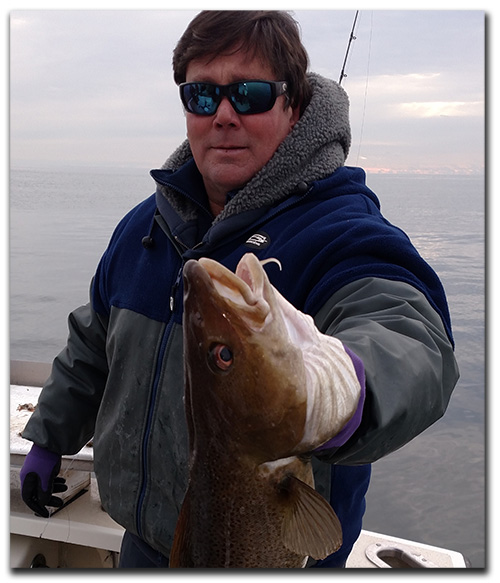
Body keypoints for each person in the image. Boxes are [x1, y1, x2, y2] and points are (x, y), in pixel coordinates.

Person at [19, 10, 459, 568]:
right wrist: (50, 437)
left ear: (293, 105)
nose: (223, 115)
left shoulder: (338, 232)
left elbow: (410, 336)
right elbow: (92, 343)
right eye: (201, 96)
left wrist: (345, 394)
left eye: (248, 94)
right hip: (146, 545)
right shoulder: (144, 229)